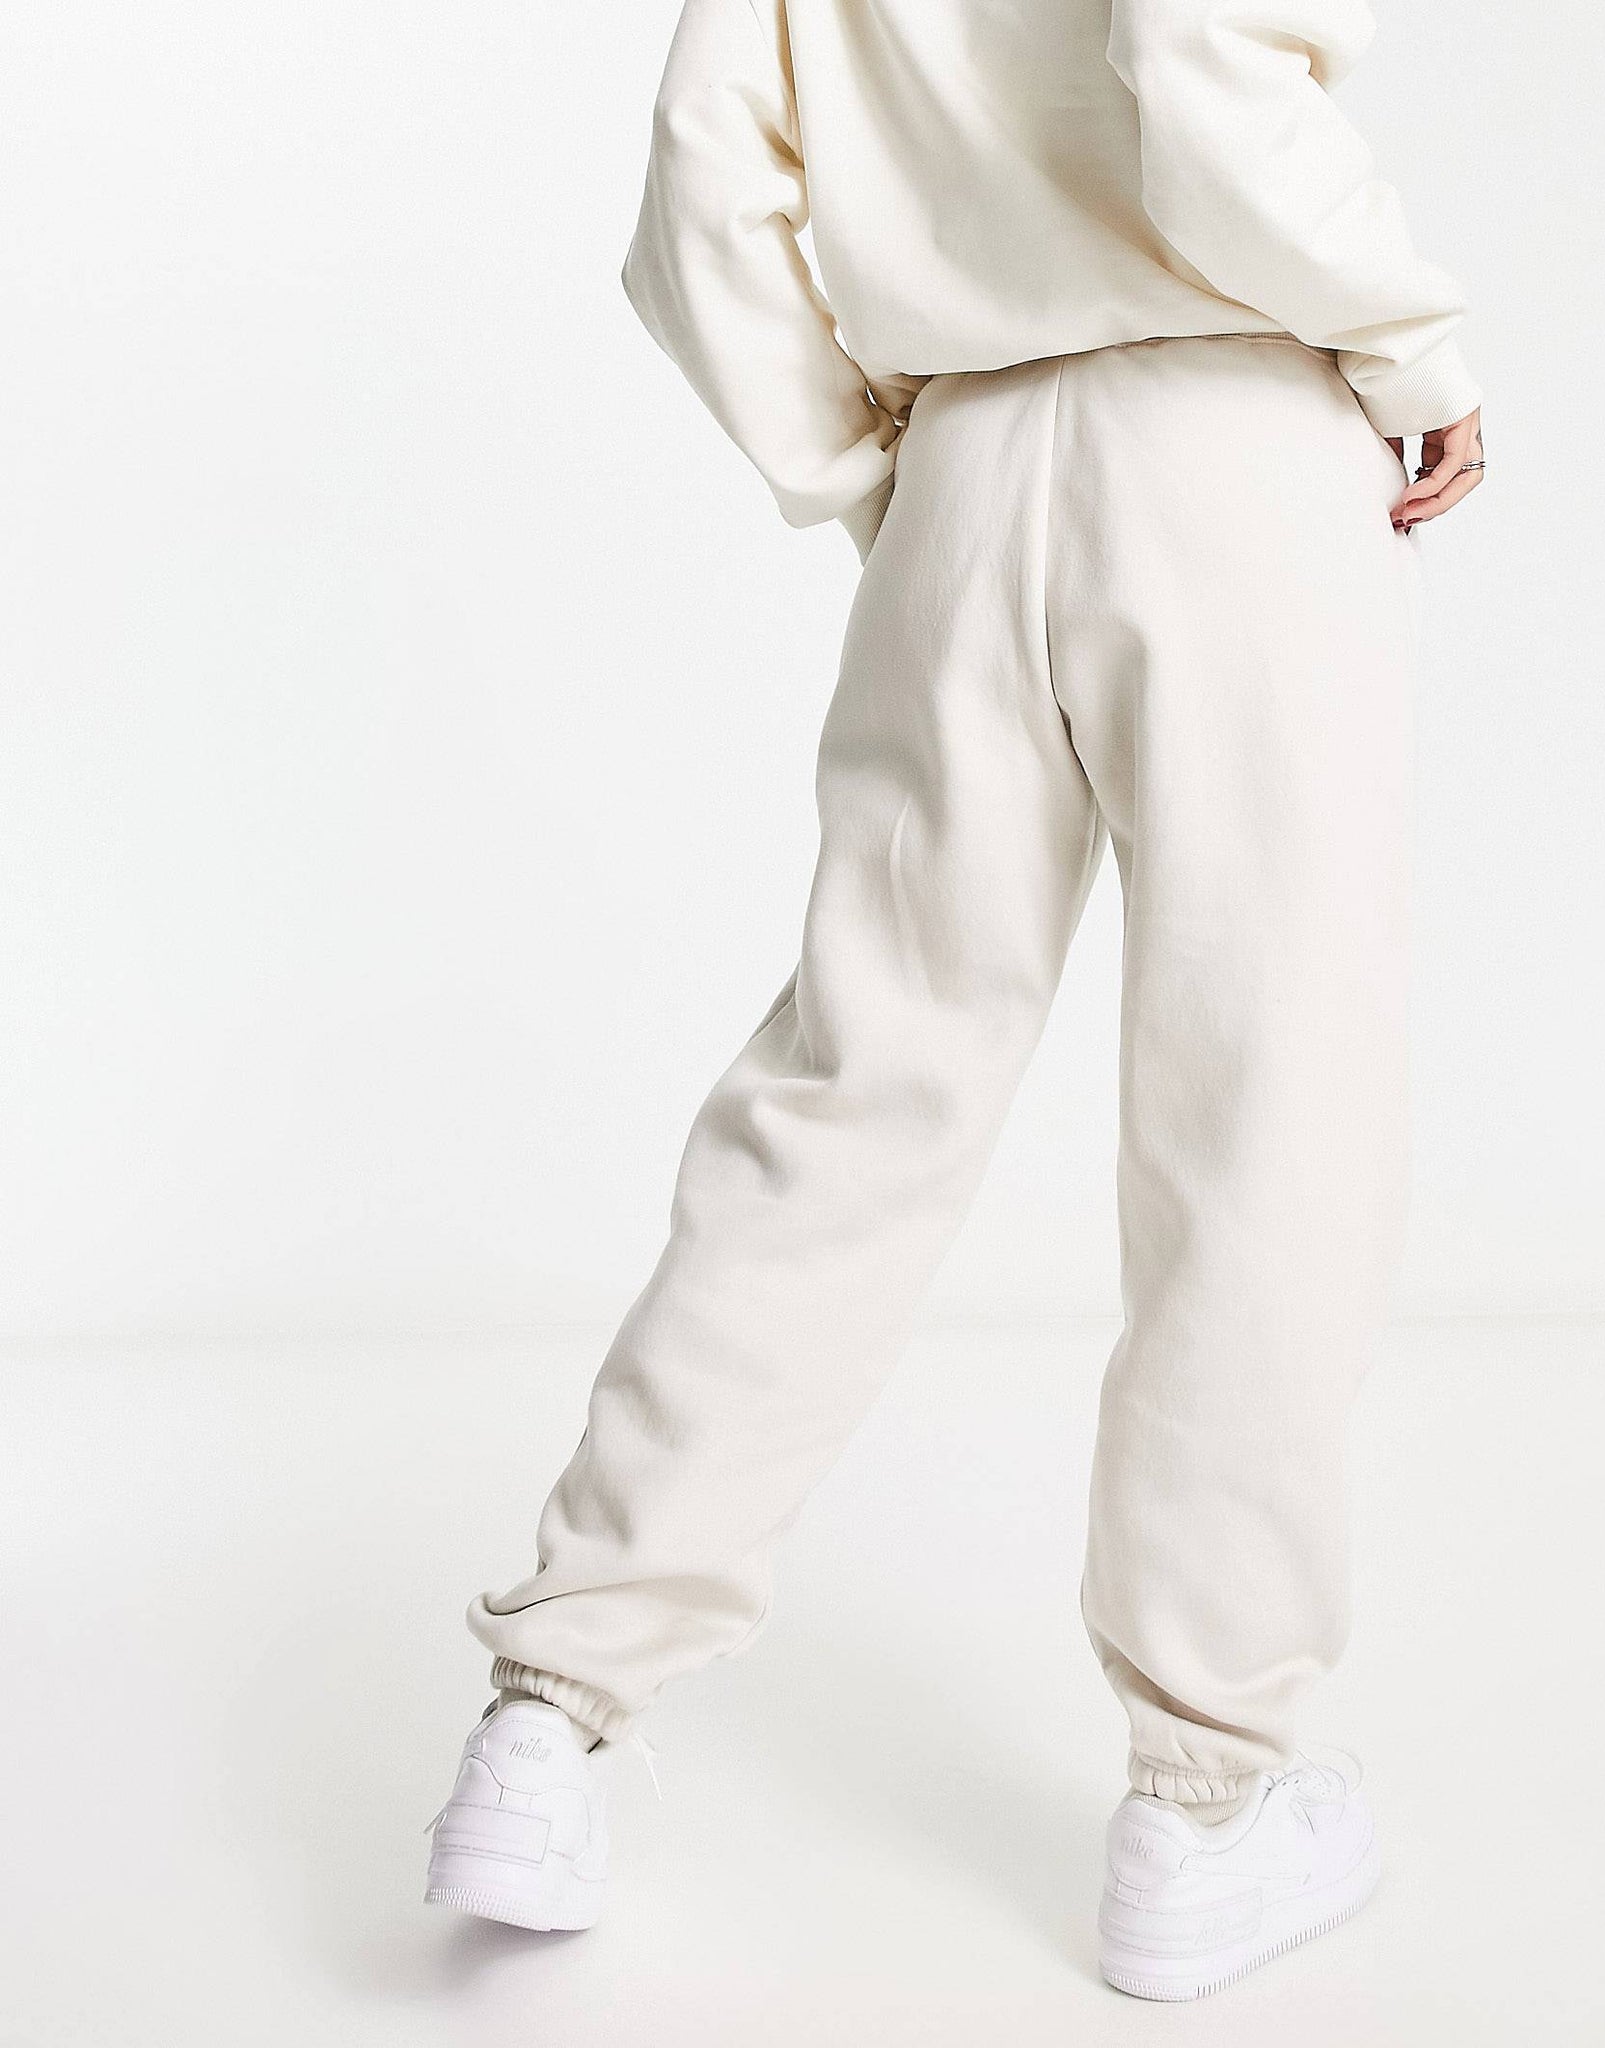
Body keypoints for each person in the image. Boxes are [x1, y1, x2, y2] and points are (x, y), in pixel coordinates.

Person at [424, 0, 1484, 1999]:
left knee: (849, 1095)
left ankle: (549, 1718)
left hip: (967, 467)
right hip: (1237, 436)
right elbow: (1197, 60)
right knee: (1267, 1110)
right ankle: (1203, 1799)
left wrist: (866, 464)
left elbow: (697, 184)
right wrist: (1411, 345)